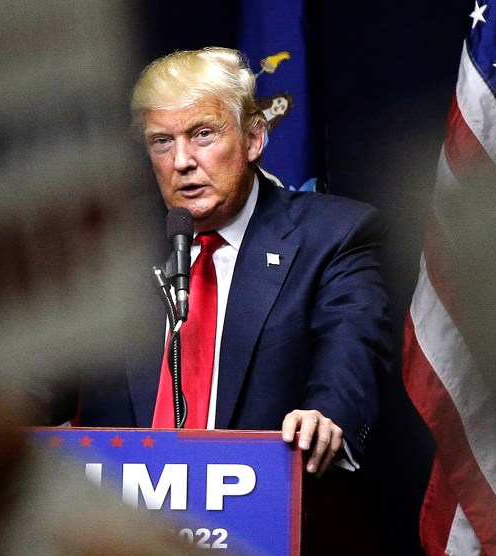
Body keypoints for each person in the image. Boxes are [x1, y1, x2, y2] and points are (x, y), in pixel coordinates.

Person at [77, 47, 393, 478]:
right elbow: (39, 373)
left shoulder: (334, 236)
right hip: (122, 530)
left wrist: (325, 415)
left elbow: (350, 353)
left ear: (253, 139)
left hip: (261, 521)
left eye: (203, 134)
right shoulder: (112, 242)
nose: (182, 161)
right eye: (162, 142)